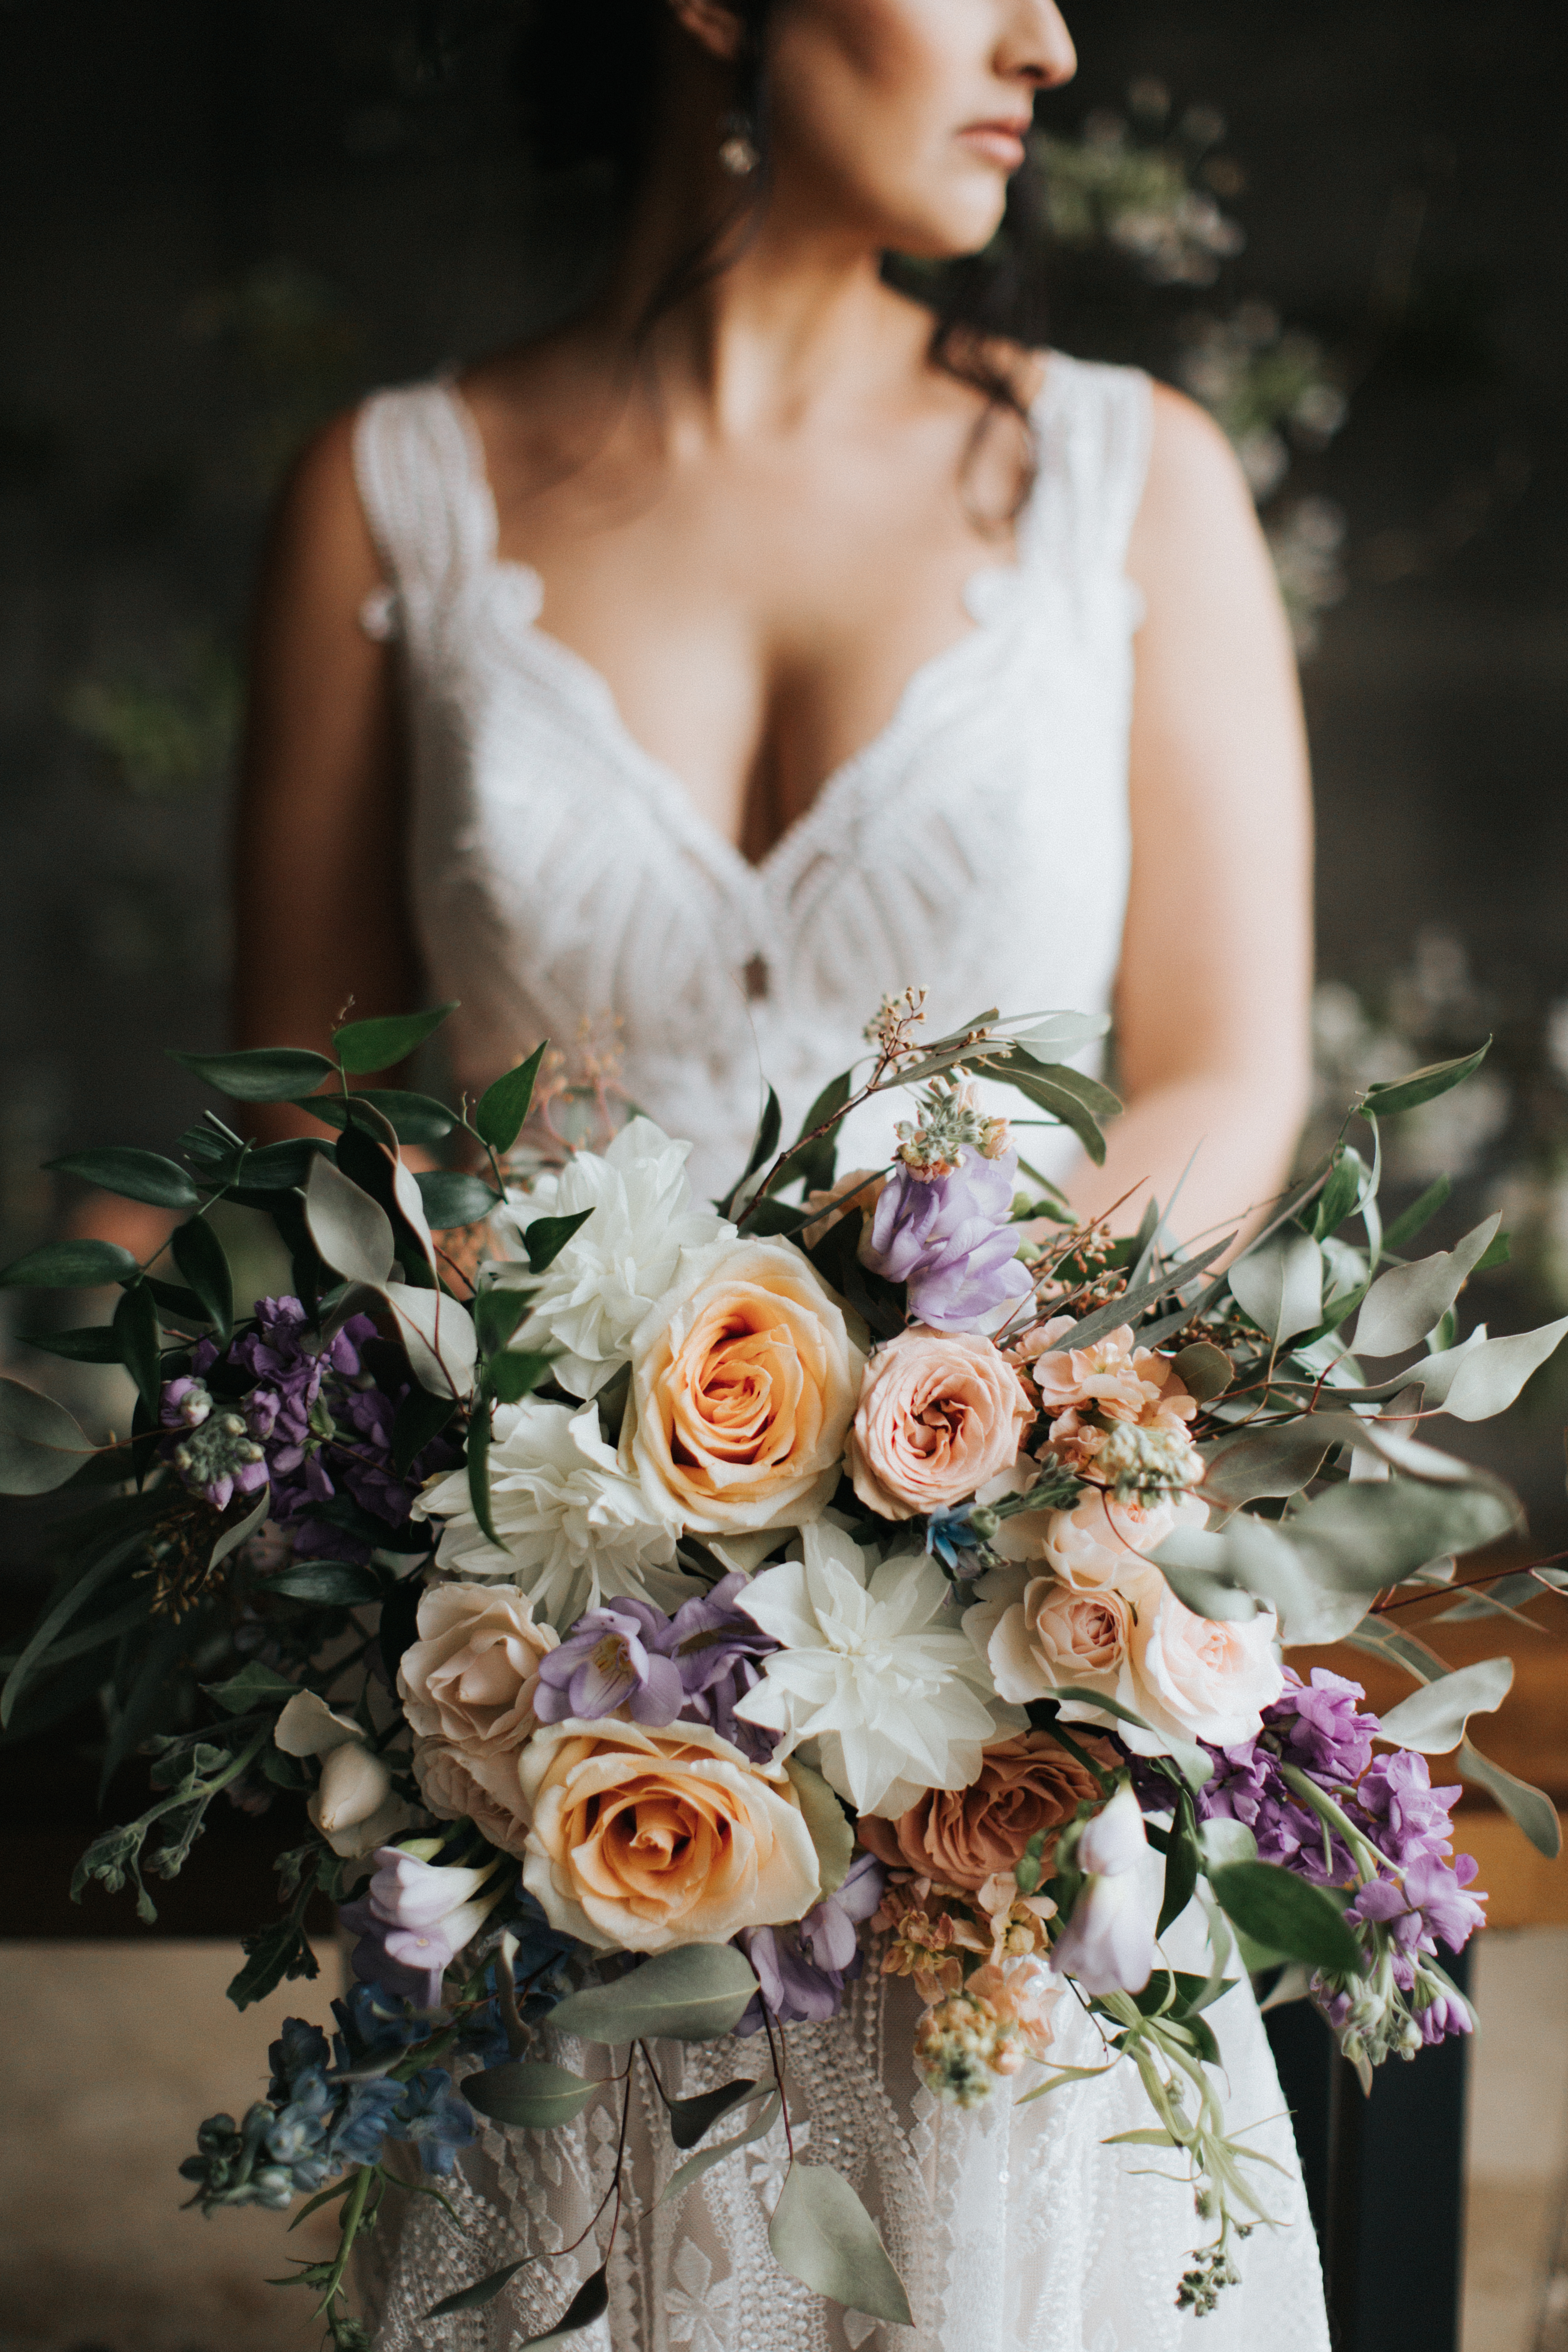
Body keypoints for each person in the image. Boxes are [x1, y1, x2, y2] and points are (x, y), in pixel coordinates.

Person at [235, 3, 1326, 2346]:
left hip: (1001, 1698)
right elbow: (318, 1124)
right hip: (542, 1708)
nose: (1044, 38)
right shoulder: (395, 490)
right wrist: (574, 1514)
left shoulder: (1136, 483)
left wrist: (963, 1452)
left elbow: (1228, 1070)